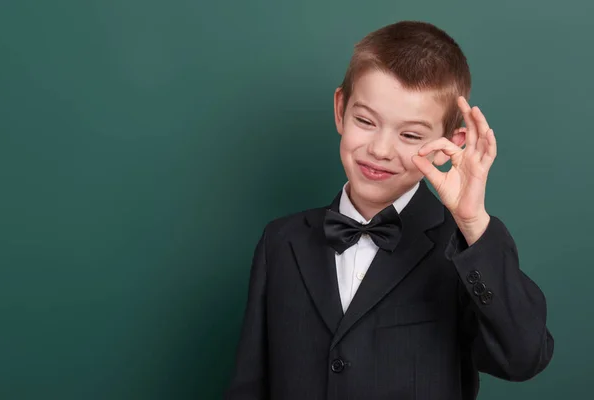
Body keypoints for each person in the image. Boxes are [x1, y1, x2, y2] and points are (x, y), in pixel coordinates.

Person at [224, 20, 554, 400]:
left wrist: (472, 222)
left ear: (452, 143)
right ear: (340, 109)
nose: (380, 149)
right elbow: (249, 385)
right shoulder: (280, 241)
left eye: (410, 135)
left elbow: (524, 358)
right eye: (365, 121)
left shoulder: (463, 248)